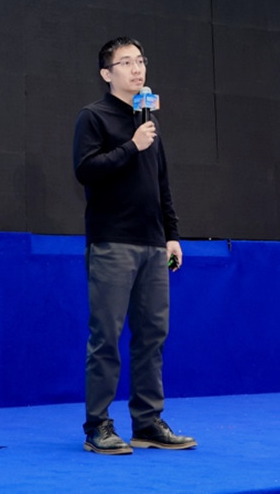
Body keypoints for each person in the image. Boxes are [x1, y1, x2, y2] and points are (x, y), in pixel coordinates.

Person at [72, 36, 197, 455]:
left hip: (152, 244)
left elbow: (161, 184)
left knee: (152, 337)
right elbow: (86, 170)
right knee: (106, 337)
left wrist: (172, 235)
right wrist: (131, 146)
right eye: (125, 62)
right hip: (112, 243)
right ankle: (98, 426)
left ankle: (147, 423)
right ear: (106, 74)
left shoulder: (148, 122)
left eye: (140, 60)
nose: (137, 68)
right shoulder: (94, 117)